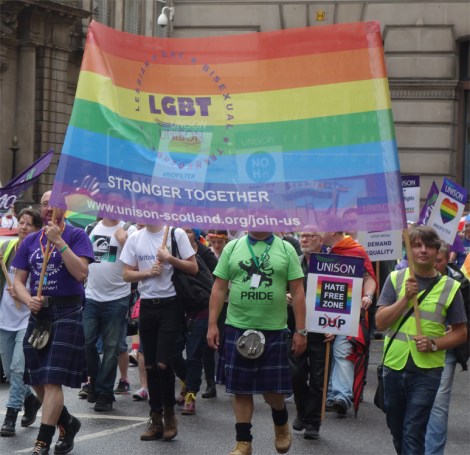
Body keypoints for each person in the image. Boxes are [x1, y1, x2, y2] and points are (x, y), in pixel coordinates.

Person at [207, 231, 307, 455]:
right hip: (237, 327)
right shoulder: (233, 247)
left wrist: (301, 330)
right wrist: (212, 324)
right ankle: (243, 441)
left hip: (273, 329)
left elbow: (298, 291)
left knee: (272, 391)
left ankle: (280, 420)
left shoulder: (286, 249)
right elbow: (219, 288)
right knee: (240, 389)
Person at [12, 190, 94, 455]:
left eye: (55, 204)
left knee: (51, 380)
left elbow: (81, 273)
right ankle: (68, 423)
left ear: (64, 208)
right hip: (39, 315)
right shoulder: (30, 241)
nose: (49, 208)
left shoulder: (76, 236)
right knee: (36, 378)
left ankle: (42, 442)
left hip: (67, 311)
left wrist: (59, 242)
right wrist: (28, 300)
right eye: (45, 204)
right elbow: (18, 282)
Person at [376, 225, 467, 455]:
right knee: (397, 430)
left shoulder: (450, 287)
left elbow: (461, 333)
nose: (423, 250)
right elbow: (380, 323)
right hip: (393, 366)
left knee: (413, 431)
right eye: (417, 245)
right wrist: (405, 299)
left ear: (437, 252)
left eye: (429, 246)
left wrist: (434, 344)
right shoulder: (396, 279)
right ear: (409, 251)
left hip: (427, 371)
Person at [120, 224, 197, 442]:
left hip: (170, 305)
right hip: (147, 305)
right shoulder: (135, 237)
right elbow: (126, 274)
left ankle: (169, 416)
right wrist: (147, 272)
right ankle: (155, 419)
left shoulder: (175, 233)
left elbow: (193, 267)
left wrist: (169, 258)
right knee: (150, 365)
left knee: (163, 363)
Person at [322, 226, 376, 416]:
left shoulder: (356, 250)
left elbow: (369, 278)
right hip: (327, 307)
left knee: (343, 350)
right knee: (330, 352)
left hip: (350, 310)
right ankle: (331, 395)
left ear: (332, 231)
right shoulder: (325, 252)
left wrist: (368, 296)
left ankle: (342, 396)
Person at [83, 217, 136, 411]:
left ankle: (105, 393)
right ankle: (96, 381)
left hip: (117, 298)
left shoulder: (129, 230)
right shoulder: (90, 229)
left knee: (111, 348)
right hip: (91, 296)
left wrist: (125, 241)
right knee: (86, 342)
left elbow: (138, 265)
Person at [0, 209, 43, 437]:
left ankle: (11, 415)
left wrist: (23, 294)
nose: (24, 227)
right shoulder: (7, 248)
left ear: (37, 229)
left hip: (27, 319)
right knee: (9, 372)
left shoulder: (39, 253)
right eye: (22, 223)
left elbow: (44, 287)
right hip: (5, 319)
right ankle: (30, 399)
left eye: (29, 224)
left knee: (18, 368)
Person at [288, 229, 334, 440]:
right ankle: (302, 411)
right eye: (302, 236)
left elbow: (341, 295)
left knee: (318, 378)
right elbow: (279, 286)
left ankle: (313, 422)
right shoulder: (293, 262)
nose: (304, 239)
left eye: (310, 236)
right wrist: (285, 294)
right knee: (296, 375)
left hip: (322, 330)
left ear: (321, 240)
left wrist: (336, 327)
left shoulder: (333, 263)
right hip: (297, 328)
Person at [425, 241, 470, 455]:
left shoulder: (462, 284)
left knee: (437, 404)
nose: (434, 265)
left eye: (439, 261)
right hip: (413, 348)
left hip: (446, 351)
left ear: (448, 259)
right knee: (411, 404)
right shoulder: (408, 279)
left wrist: (458, 326)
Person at [173, 228, 218, 415]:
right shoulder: (163, 255)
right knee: (173, 353)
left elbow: (214, 282)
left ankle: (190, 396)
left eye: (188, 231)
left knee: (193, 356)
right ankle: (187, 383)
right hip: (177, 312)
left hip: (200, 311)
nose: (184, 234)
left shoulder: (201, 256)